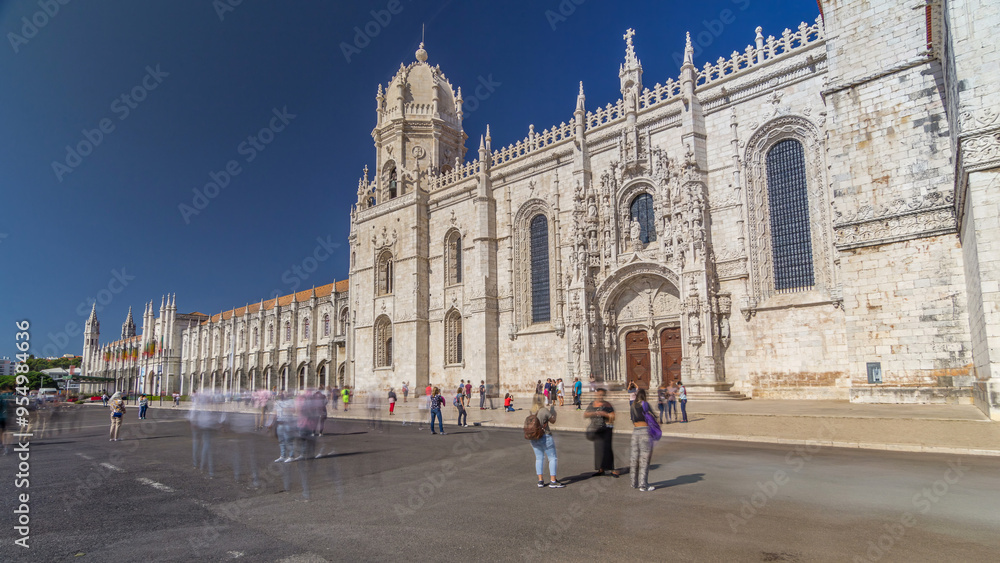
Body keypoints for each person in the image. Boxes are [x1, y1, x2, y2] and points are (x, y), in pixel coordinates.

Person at [527, 394, 563, 488]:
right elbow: (553, 421)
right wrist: (553, 412)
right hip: (545, 436)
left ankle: (540, 481)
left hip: (534, 437)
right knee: (552, 458)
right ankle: (553, 481)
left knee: (539, 458)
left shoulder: (531, 411)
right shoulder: (544, 410)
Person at [584, 388, 619, 477]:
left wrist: (604, 414)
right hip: (595, 429)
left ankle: (611, 469)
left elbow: (613, 416)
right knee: (598, 449)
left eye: (601, 394)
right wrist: (594, 413)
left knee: (607, 449)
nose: (599, 396)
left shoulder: (607, 405)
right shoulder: (592, 404)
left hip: (606, 428)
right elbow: (585, 414)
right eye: (598, 394)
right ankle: (600, 469)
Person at [629, 389, 655, 492]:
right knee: (644, 460)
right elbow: (653, 416)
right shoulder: (645, 404)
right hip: (645, 432)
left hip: (635, 432)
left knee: (634, 459)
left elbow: (632, 419)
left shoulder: (632, 406)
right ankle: (643, 485)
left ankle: (633, 483)